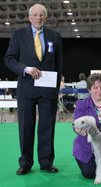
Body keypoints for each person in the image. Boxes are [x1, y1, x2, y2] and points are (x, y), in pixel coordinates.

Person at [4, 4, 63, 175]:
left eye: (42, 15)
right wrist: (25, 69)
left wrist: (56, 87)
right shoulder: (18, 34)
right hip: (26, 87)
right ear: (29, 18)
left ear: (46, 18)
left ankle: (46, 162)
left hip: (48, 89)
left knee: (47, 127)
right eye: (35, 15)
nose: (38, 18)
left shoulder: (55, 36)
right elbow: (9, 59)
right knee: (25, 127)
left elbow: (59, 64)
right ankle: (25, 163)